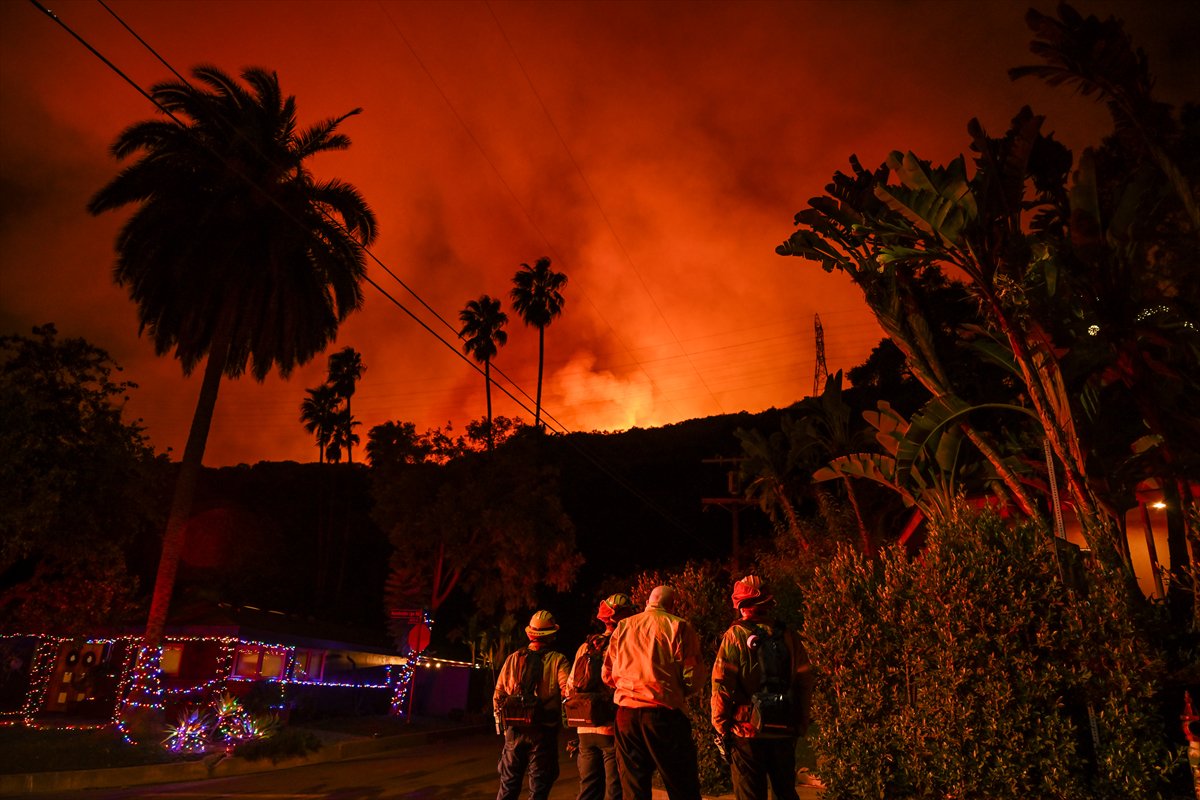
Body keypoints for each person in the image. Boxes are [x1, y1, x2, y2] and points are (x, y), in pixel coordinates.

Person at [710, 576, 812, 800]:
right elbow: (804, 681)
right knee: (784, 792)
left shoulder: (735, 636)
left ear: (740, 605)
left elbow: (721, 684)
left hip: (747, 729)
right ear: (768, 603)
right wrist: (801, 722)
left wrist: (721, 725)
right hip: (784, 728)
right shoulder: (789, 636)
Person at [602, 585, 703, 800]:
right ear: (671, 605)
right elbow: (693, 676)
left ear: (648, 602)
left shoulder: (623, 627)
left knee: (633, 789)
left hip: (626, 717)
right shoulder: (679, 626)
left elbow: (607, 674)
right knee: (682, 785)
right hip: (664, 716)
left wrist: (628, 687)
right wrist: (679, 691)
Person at [494, 610, 571, 800]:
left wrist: (504, 728)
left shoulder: (513, 659)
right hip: (543, 731)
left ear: (530, 634)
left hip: (515, 730)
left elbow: (498, 694)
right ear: (552, 635)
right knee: (539, 789)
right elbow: (569, 691)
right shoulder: (558, 660)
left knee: (508, 786)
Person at [566, 593, 636, 800]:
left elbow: (571, 686)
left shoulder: (585, 646)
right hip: (611, 727)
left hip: (584, 728)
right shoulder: (624, 644)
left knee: (588, 789)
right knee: (614, 790)